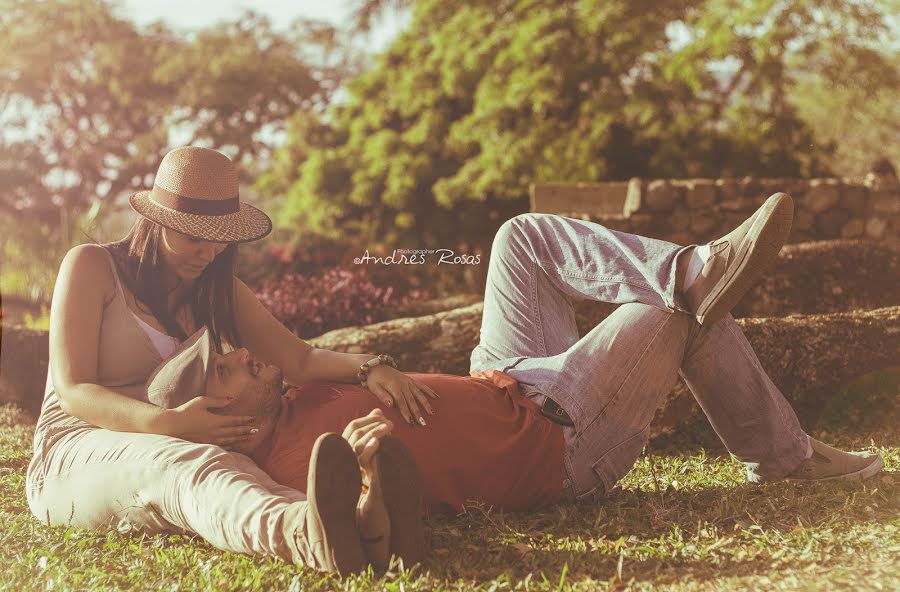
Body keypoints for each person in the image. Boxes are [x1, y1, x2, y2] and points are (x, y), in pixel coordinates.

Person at [148, 192, 884, 520]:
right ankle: (785, 455)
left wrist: (372, 367)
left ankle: (688, 269)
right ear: (217, 413)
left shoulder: (287, 393)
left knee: (518, 237)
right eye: (225, 367)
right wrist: (365, 475)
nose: (242, 354)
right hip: (561, 439)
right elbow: (352, 530)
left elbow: (307, 356)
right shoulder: (300, 466)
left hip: (508, 378)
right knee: (670, 316)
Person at [24, 146, 435, 574]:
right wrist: (169, 424)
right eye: (193, 235)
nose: (209, 251)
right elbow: (74, 390)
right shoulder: (92, 266)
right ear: (158, 220)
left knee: (233, 468)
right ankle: (307, 536)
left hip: (176, 438)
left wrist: (371, 365)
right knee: (187, 468)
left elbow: (299, 358)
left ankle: (365, 524)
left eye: (219, 236)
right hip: (74, 448)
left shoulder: (215, 288)